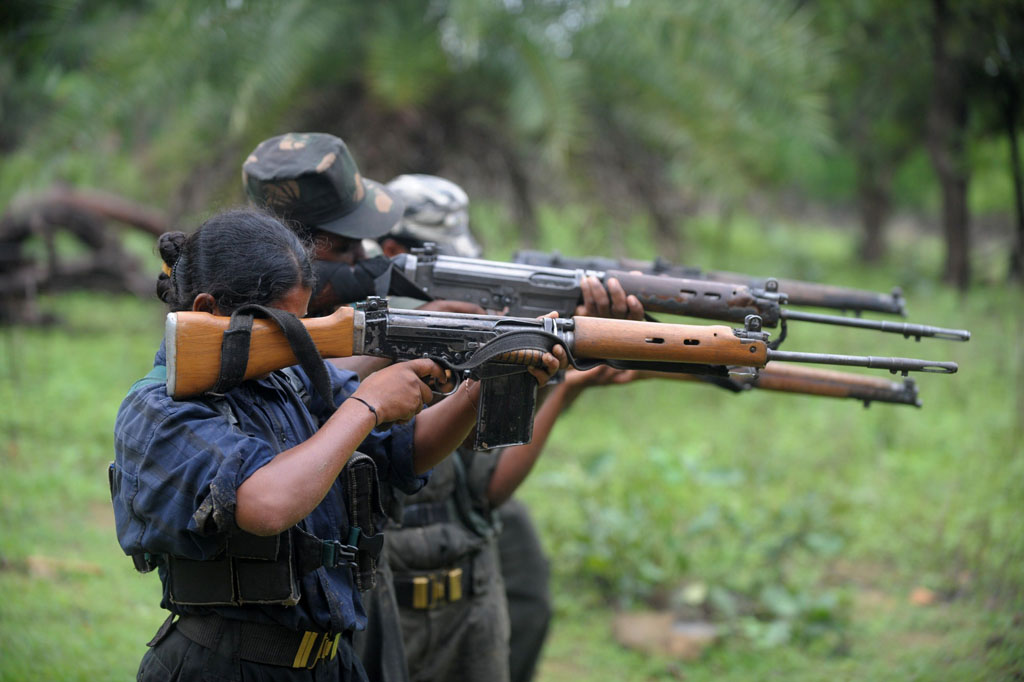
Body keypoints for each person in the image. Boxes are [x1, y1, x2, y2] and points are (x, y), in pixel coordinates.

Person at [110, 208, 562, 680]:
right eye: (285, 329)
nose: (299, 344)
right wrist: (366, 405)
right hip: (225, 665)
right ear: (208, 312)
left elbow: (405, 450)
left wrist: (483, 383)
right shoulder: (159, 411)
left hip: (330, 663)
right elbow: (264, 505)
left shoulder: (284, 379)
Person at [379, 174, 642, 682]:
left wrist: (556, 379)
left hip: (463, 591)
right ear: (391, 251)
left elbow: (483, 474)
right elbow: (485, 484)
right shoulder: (360, 348)